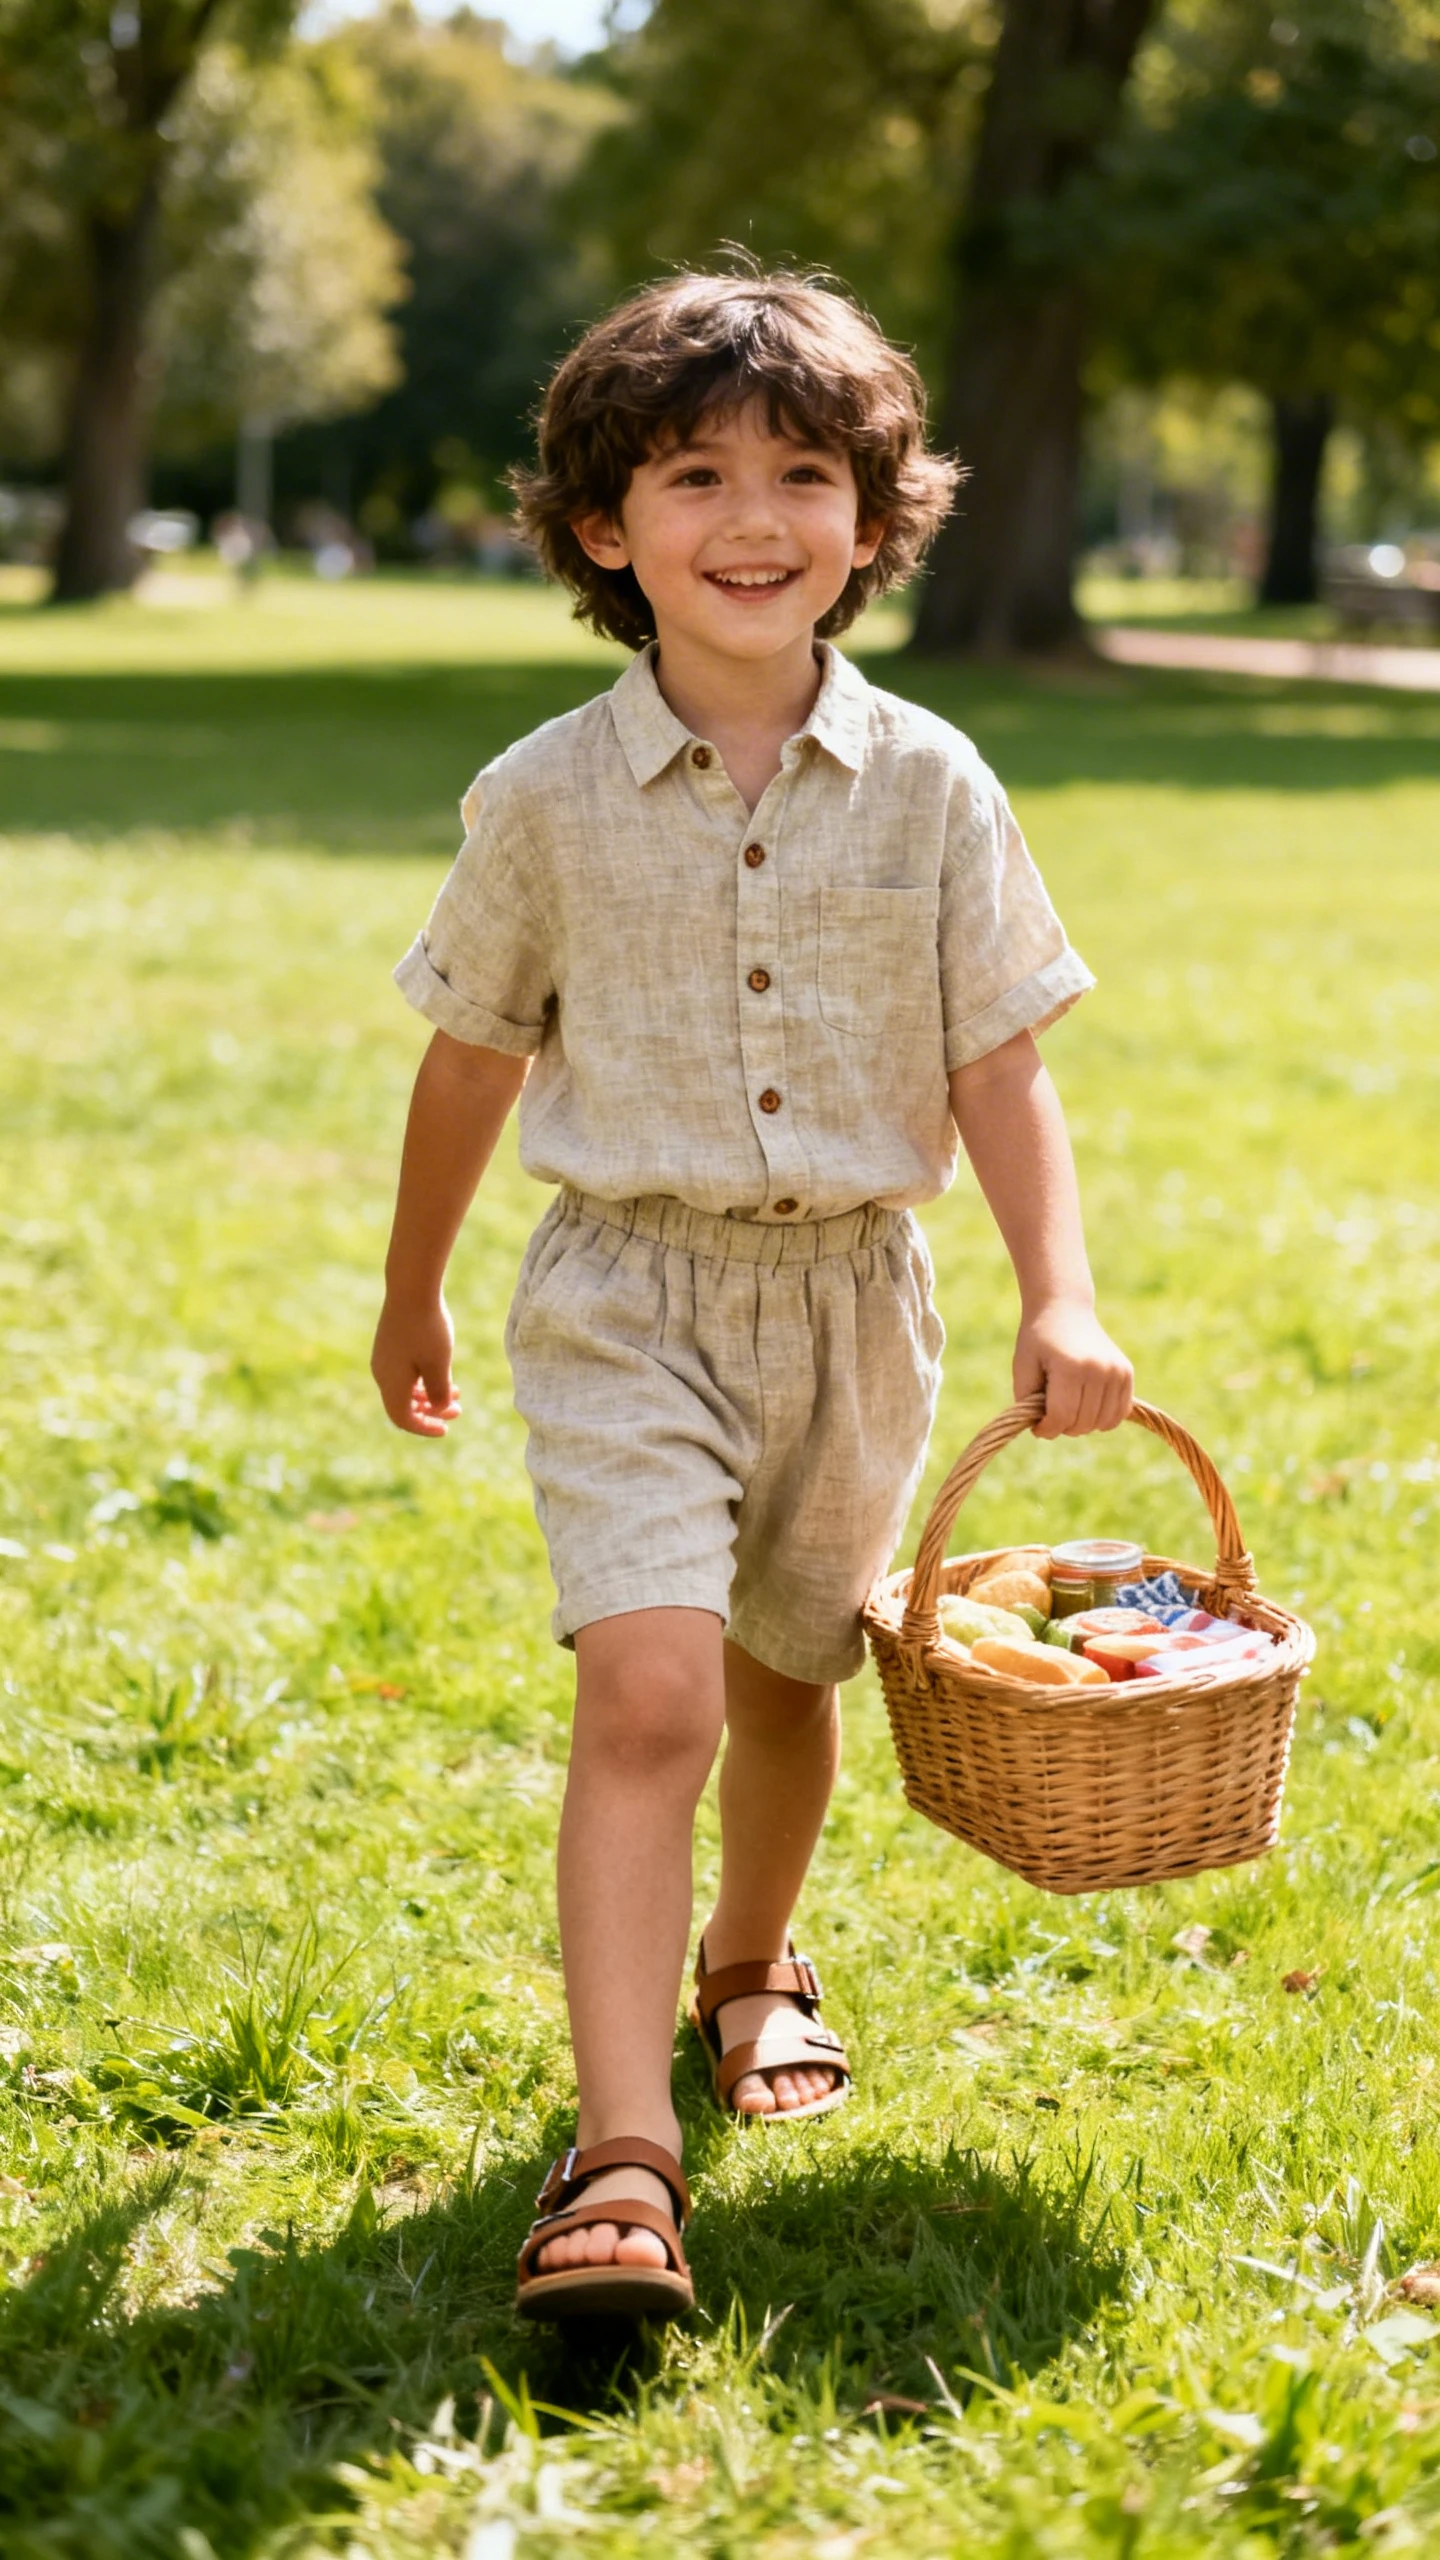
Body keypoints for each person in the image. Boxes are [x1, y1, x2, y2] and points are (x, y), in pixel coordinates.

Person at [371, 269, 1133, 2323]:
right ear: (606, 526)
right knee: (654, 1688)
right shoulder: (539, 796)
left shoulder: (937, 784)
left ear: (873, 523)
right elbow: (469, 1049)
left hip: (856, 1304)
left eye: (804, 471)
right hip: (626, 1291)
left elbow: (1001, 1059)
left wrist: (1060, 1292)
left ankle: (749, 1959)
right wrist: (412, 1289)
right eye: (693, 470)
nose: (753, 512)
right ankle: (621, 2156)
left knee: (794, 1679)